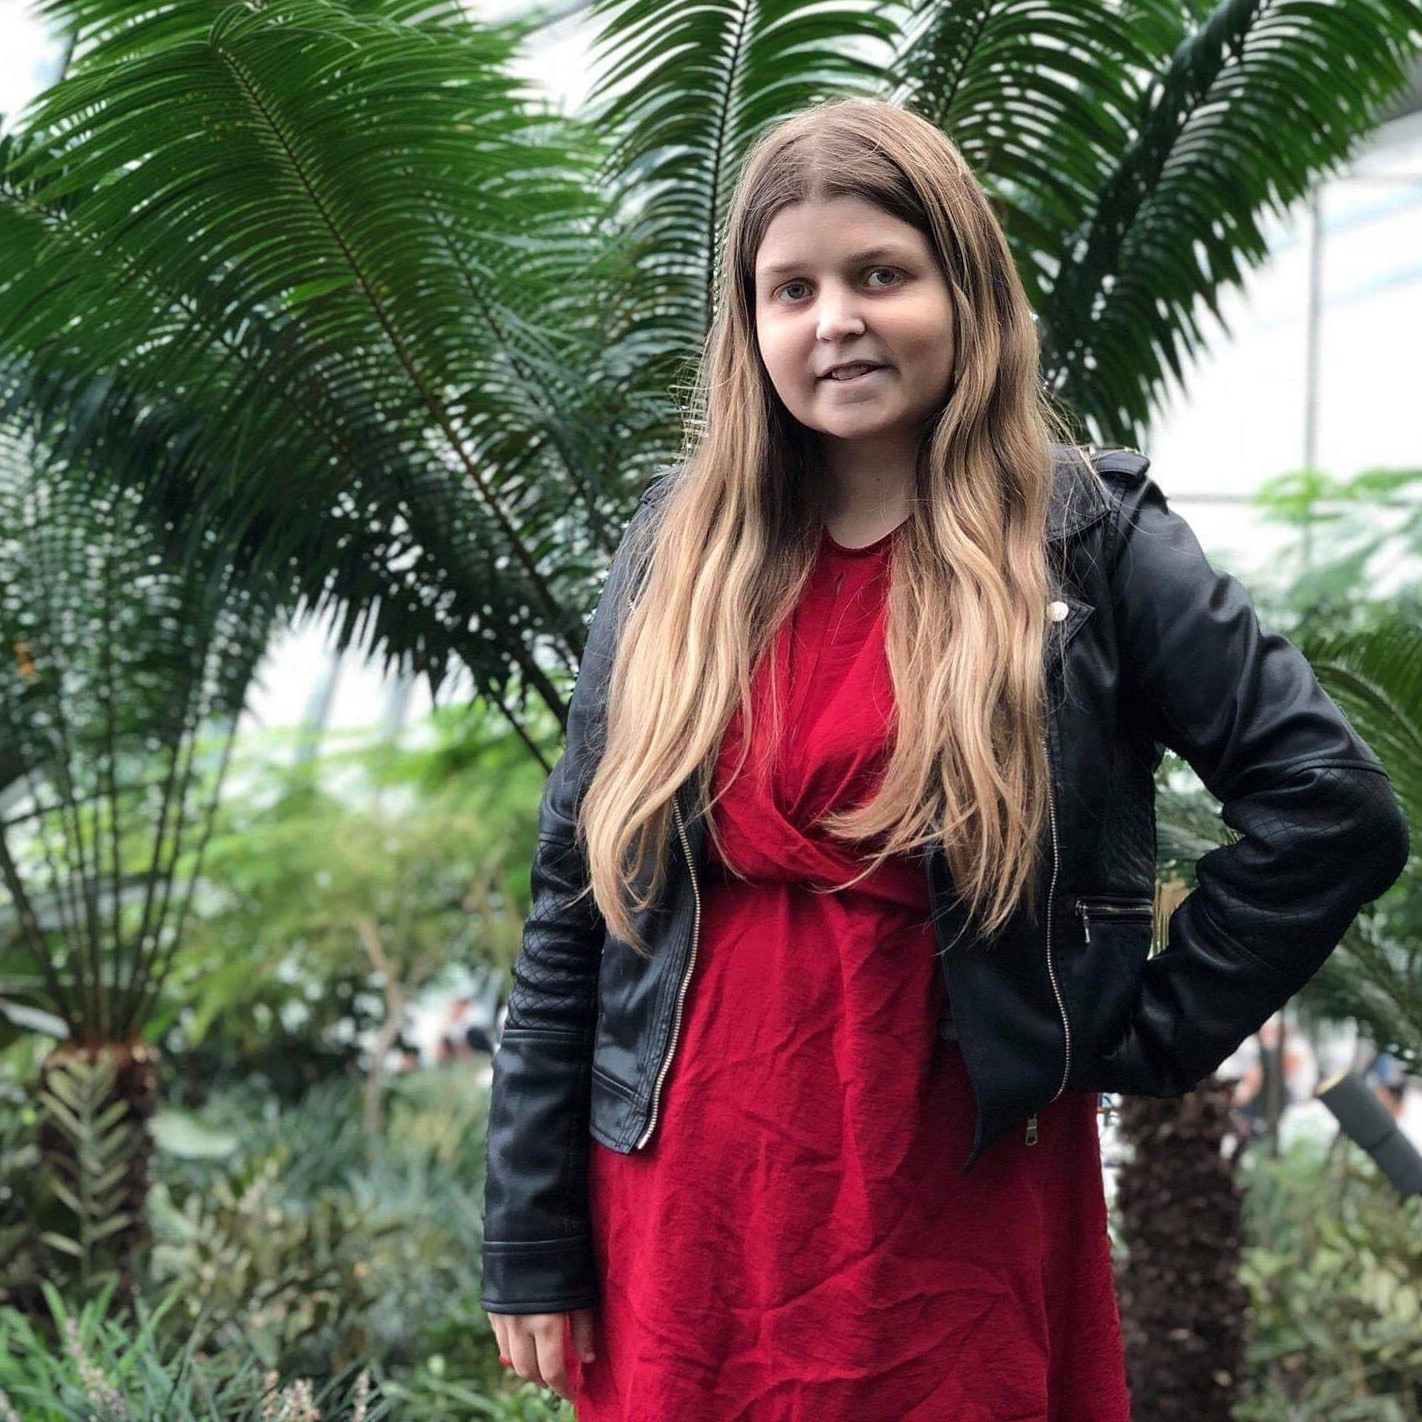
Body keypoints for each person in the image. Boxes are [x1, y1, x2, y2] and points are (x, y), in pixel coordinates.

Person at [479, 96, 1410, 1419]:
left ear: (964, 289)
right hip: (684, 1203)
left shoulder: (1085, 536)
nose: (834, 320)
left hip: (951, 1195)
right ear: (748, 328)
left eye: (880, 275)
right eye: (791, 290)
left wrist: (1140, 1034)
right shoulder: (674, 554)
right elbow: (574, 899)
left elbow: (1331, 808)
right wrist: (529, 1231)